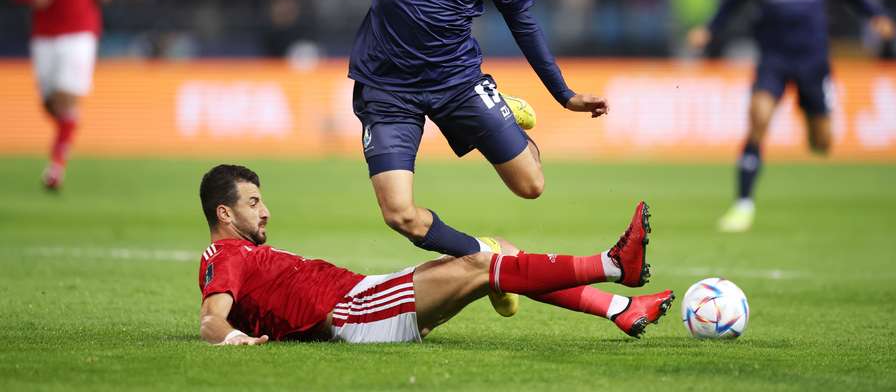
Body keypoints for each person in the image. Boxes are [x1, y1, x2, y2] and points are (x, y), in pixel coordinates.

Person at [245, 0, 610, 316]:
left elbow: (524, 22)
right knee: (400, 214)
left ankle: (502, 109)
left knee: (531, 185)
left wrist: (563, 94)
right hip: (387, 87)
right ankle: (486, 256)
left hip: (456, 81)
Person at [197, 164, 674, 345]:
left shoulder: (243, 251)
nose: (266, 212)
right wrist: (233, 339)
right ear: (224, 211)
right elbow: (210, 318)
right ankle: (613, 265)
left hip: (366, 297)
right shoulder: (225, 252)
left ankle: (621, 309)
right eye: (253, 203)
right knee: (483, 263)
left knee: (498, 251)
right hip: (354, 312)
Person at [687, 0, 896, 232]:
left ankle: (813, 111)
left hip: (813, 62)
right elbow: (732, 1)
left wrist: (876, 16)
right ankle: (743, 204)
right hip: (773, 59)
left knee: (822, 142)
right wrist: (709, 29)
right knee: (758, 118)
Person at [3, 0, 114, 190]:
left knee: (66, 96)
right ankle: (69, 127)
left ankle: (55, 167)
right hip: (45, 33)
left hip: (81, 31)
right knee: (50, 102)